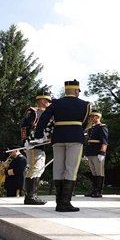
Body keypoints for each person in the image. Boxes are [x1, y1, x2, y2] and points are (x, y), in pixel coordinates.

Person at [35, 80, 91, 212]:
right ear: (77, 91)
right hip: (75, 137)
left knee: (58, 168)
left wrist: (39, 133)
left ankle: (58, 202)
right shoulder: (85, 104)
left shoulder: (55, 103)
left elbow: (44, 118)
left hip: (58, 137)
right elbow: (83, 123)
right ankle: (65, 202)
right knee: (71, 169)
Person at [20, 92, 52, 205]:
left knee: (39, 168)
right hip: (32, 144)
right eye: (48, 101)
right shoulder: (33, 112)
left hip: (40, 145)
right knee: (34, 168)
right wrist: (25, 141)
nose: (49, 104)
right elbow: (24, 127)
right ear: (43, 101)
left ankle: (33, 195)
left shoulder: (46, 114)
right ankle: (30, 196)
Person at [84, 111, 109, 198]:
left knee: (99, 172)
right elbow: (88, 141)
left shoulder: (102, 127)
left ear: (98, 117)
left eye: (93, 117)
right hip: (90, 152)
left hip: (98, 152)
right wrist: (86, 153)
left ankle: (98, 191)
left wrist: (102, 152)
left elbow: (104, 140)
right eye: (91, 117)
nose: (91, 118)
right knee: (93, 172)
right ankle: (94, 190)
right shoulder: (91, 128)